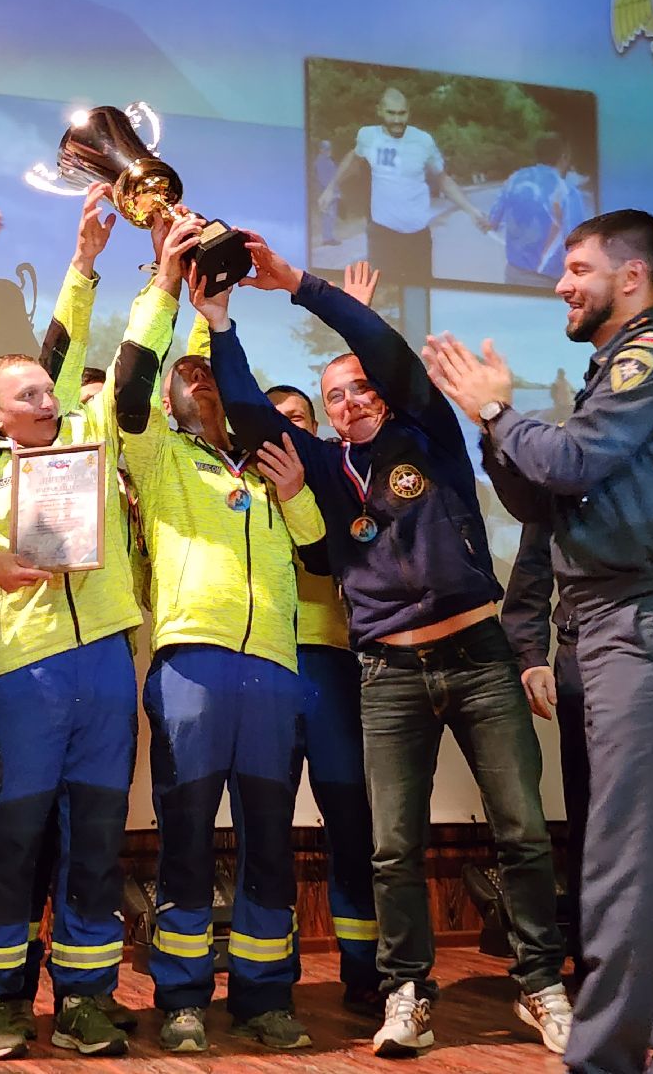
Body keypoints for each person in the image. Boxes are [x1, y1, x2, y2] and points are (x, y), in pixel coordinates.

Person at [203, 253, 569, 1059]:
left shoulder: (426, 431)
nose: (352, 401)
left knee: (522, 831)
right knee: (394, 845)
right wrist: (222, 322)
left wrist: (303, 286)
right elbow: (247, 412)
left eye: (362, 388)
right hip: (388, 674)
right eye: (336, 396)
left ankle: (542, 984)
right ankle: (407, 993)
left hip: (478, 657)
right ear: (327, 415)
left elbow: (389, 354)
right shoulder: (321, 471)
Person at [421, 209, 653, 1074]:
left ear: (630, 277)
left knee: (622, 864)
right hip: (611, 625)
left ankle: (596, 1061)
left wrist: (496, 408)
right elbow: (541, 501)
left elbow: (567, 464)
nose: (561, 282)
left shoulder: (652, 355)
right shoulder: (609, 369)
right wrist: (490, 428)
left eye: (578, 267)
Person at [0, 186, 146, 1061]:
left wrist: (85, 262)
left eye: (49, 388)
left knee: (96, 838)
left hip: (105, 663)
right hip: (32, 674)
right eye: (28, 393)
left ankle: (86, 995)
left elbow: (79, 341)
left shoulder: (90, 436)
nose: (47, 398)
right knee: (11, 834)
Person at [115, 212, 324, 1054]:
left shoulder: (267, 466)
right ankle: (183, 996)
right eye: (185, 374)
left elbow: (315, 549)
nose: (197, 381)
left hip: (275, 668)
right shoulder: (160, 462)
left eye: (211, 373)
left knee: (271, 838)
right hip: (193, 666)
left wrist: (299, 489)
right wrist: (168, 294)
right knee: (189, 837)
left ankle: (267, 996)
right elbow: (130, 388)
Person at [261, 381, 382, 1016]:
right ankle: (270, 973)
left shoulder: (334, 485)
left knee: (351, 822)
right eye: (276, 420)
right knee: (268, 829)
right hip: (267, 666)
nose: (288, 429)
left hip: (331, 666)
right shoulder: (245, 488)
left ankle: (366, 971)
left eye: (301, 420)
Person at [499, 520, 587, 983]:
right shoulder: (559, 473)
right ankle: (595, 963)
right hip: (584, 662)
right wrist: (531, 656)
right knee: (591, 822)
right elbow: (529, 580)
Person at [316, 87, 486, 284]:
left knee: (419, 290)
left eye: (402, 113)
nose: (397, 120)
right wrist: (330, 188)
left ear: (408, 112)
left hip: (418, 237)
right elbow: (353, 158)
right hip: (383, 234)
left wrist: (472, 211)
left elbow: (442, 179)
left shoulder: (423, 141)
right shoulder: (368, 136)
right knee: (383, 291)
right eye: (391, 113)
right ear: (380, 110)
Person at [480, 133, 586, 288]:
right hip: (547, 281)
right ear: (564, 157)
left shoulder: (514, 179)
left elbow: (492, 221)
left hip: (513, 274)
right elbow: (576, 243)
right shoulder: (566, 192)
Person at [314, 140, 341, 247]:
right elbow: (324, 179)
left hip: (331, 191)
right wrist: (329, 192)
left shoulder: (327, 160)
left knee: (331, 215)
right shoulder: (320, 161)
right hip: (326, 192)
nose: (328, 151)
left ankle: (328, 237)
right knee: (328, 215)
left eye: (329, 148)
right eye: (325, 149)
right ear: (321, 150)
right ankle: (327, 238)